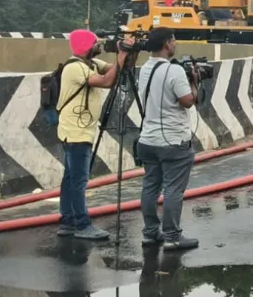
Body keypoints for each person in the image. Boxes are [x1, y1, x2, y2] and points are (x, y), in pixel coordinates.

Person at [56, 29, 128, 240]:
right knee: (78, 180)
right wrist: (122, 56)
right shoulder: (74, 68)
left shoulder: (92, 65)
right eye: (95, 43)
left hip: (77, 130)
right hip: (76, 132)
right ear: (85, 46)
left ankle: (68, 221)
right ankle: (82, 225)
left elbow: (115, 72)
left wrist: (126, 55)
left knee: (70, 179)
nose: (99, 46)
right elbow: (106, 81)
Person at [137, 28, 200, 250]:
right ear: (166, 44)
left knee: (150, 186)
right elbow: (187, 101)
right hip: (173, 141)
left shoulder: (144, 69)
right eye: (173, 40)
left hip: (147, 140)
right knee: (173, 190)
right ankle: (172, 236)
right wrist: (194, 81)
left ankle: (150, 232)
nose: (175, 44)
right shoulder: (174, 72)